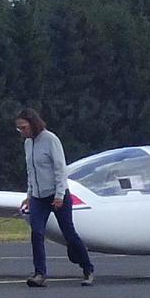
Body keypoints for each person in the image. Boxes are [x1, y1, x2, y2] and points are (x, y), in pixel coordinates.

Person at [17, 107, 95, 288]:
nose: (21, 132)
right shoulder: (28, 143)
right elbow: (31, 172)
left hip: (57, 195)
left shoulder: (50, 140)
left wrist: (60, 195)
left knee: (69, 233)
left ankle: (88, 268)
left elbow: (60, 169)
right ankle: (40, 273)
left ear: (33, 124)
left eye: (24, 127)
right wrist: (29, 195)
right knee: (37, 233)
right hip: (38, 196)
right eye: (19, 128)